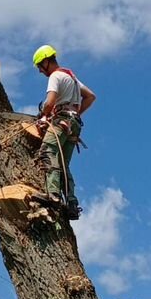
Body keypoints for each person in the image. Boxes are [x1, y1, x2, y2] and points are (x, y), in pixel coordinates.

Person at [32, 44, 96, 220]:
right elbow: (90, 96)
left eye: (39, 66)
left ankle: (53, 195)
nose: (40, 71)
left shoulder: (55, 76)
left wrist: (43, 114)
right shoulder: (72, 78)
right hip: (74, 123)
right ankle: (72, 203)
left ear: (46, 61)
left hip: (62, 120)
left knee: (47, 151)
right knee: (62, 163)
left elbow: (50, 102)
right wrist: (75, 113)